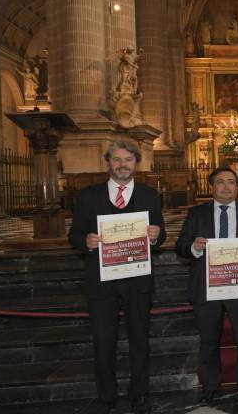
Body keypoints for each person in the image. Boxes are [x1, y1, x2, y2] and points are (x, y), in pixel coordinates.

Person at [68, 140, 166, 414]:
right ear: (108, 162)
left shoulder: (149, 195)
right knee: (103, 341)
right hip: (102, 281)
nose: (123, 164)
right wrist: (86, 240)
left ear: (136, 163)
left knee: (139, 339)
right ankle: (106, 395)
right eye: (117, 159)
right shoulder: (88, 196)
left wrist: (157, 235)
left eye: (128, 160)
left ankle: (139, 393)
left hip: (137, 280)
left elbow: (162, 232)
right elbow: (74, 235)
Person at [175, 167, 238, 404]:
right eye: (221, 182)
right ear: (212, 186)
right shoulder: (197, 213)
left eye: (231, 182)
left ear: (237, 187)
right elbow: (181, 245)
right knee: (208, 339)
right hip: (208, 286)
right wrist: (194, 247)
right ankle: (210, 385)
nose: (226, 187)